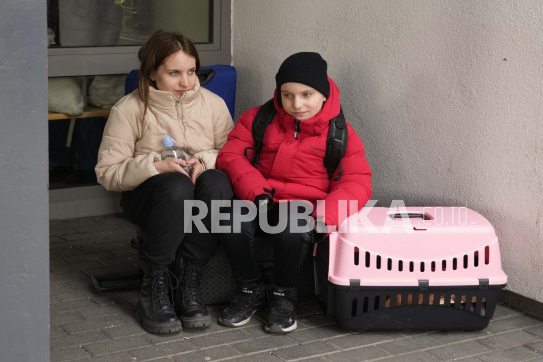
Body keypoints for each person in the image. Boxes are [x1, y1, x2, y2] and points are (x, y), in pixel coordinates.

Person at [216, 52, 372, 333]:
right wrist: (257, 193)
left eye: (306, 95)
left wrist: (326, 216)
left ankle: (283, 296)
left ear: (323, 95)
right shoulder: (259, 119)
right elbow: (230, 157)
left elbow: (356, 182)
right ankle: (249, 290)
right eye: (287, 95)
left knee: (292, 224)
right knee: (229, 219)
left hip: (306, 209)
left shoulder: (340, 134)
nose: (296, 104)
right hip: (261, 198)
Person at [96, 31, 236, 334]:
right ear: (152, 73)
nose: (185, 81)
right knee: (176, 184)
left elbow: (233, 155)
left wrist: (204, 161)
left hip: (198, 192)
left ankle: (190, 281)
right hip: (152, 198)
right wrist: (155, 166)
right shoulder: (128, 108)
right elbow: (107, 173)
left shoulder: (213, 104)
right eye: (174, 73)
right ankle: (154, 283)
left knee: (217, 184)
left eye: (191, 71)